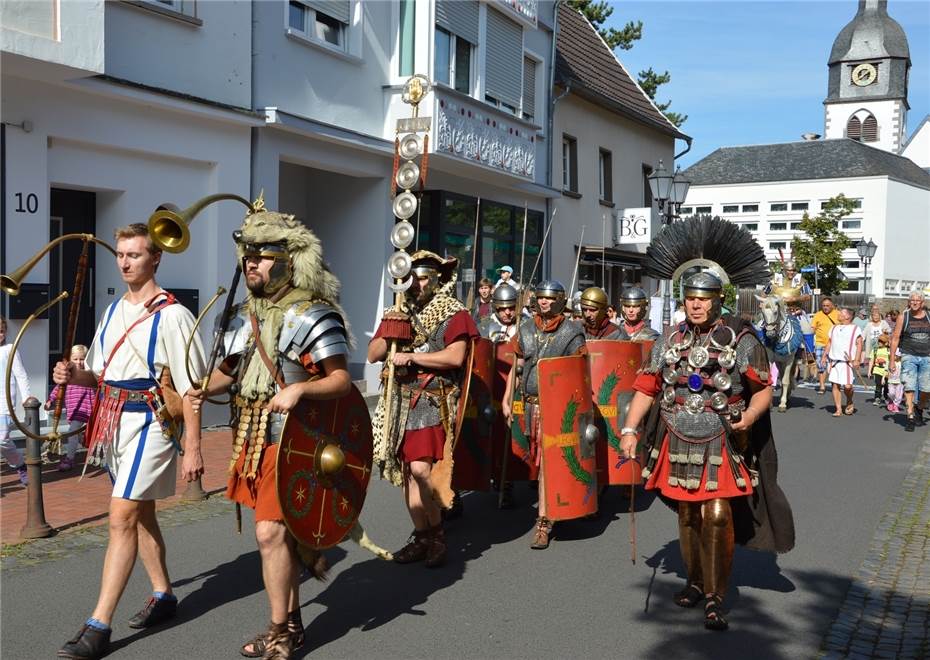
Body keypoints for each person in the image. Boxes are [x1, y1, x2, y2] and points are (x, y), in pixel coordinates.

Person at [189, 203, 352, 658]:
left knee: (270, 535)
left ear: (285, 260)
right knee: (278, 536)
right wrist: (202, 387)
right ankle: (292, 624)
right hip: (254, 435)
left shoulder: (312, 314)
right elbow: (233, 370)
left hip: (296, 440)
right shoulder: (247, 315)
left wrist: (301, 393)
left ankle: (280, 630)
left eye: (260, 256)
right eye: (247, 256)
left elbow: (340, 381)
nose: (251, 264)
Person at [620, 216, 794, 632]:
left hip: (721, 437)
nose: (696, 304)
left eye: (704, 298)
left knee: (716, 513)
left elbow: (763, 389)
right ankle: (696, 583)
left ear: (718, 299)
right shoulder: (670, 339)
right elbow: (646, 386)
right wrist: (629, 430)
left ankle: (716, 596)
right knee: (686, 514)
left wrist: (747, 418)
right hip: (677, 433)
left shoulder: (742, 338)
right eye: (690, 298)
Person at [55, 224, 205, 660]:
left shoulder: (173, 315)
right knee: (141, 516)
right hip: (112, 423)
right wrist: (71, 375)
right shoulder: (113, 310)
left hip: (152, 424)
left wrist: (193, 447)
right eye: (120, 254)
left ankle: (98, 626)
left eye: (134, 255)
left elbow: (192, 388)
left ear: (155, 259)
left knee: (121, 515)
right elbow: (97, 374)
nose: (124, 262)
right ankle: (163, 595)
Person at [369, 251, 479, 568]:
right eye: (412, 277)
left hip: (433, 400)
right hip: (399, 402)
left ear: (437, 279)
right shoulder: (398, 311)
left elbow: (455, 357)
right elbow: (374, 353)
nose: (416, 283)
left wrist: (413, 358)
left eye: (423, 276)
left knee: (421, 471)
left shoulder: (453, 312)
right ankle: (422, 536)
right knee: (407, 475)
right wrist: (391, 329)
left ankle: (438, 535)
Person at [501, 280, 586, 549]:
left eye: (549, 298)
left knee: (549, 463)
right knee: (538, 462)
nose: (544, 302)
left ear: (560, 300)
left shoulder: (572, 333)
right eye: (540, 297)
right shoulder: (525, 329)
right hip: (529, 405)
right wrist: (507, 398)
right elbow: (516, 367)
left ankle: (544, 521)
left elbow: (579, 376)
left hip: (557, 407)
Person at [0, 315, 38, 485]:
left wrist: (26, 396)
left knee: (2, 440)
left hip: (4, 404)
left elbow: (20, 375)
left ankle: (20, 464)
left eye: (1, 331)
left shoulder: (10, 349)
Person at [45, 344, 95, 471]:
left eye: (82, 359)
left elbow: (97, 388)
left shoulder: (88, 375)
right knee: (77, 434)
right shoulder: (68, 376)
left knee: (72, 433)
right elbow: (58, 388)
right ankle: (86, 448)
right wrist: (51, 400)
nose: (79, 362)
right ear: (71, 360)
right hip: (73, 411)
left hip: (87, 410)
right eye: (76, 359)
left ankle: (70, 458)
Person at [889, 291, 929, 432]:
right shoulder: (903, 317)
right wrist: (892, 360)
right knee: (909, 386)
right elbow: (895, 338)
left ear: (922, 303)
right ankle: (910, 416)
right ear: (909, 302)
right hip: (908, 355)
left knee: (926, 389)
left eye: (918, 300)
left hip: (927, 357)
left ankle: (919, 408)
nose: (915, 302)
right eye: (912, 300)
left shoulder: (928, 317)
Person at [821, 307, 864, 417]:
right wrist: (824, 356)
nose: (838, 314)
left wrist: (857, 359)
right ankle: (838, 409)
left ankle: (849, 400)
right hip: (834, 360)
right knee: (835, 385)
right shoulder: (834, 328)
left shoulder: (855, 329)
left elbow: (859, 344)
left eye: (841, 312)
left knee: (848, 387)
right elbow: (830, 342)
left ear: (847, 316)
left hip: (847, 362)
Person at [810, 297, 839, 394]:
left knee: (833, 366)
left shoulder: (838, 314)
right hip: (820, 343)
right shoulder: (818, 315)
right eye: (823, 306)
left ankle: (835, 384)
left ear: (832, 306)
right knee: (820, 365)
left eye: (827, 306)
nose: (825, 307)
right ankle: (822, 386)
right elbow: (813, 328)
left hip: (834, 344)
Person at [863, 307, 891, 373]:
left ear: (879, 317)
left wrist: (885, 330)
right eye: (874, 316)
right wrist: (861, 340)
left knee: (880, 356)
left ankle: (880, 369)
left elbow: (889, 330)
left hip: (881, 342)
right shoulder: (869, 324)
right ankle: (872, 369)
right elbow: (864, 333)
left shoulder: (883, 323)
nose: (875, 318)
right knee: (872, 356)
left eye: (877, 316)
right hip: (871, 342)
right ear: (872, 317)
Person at [869, 333, 891, 406]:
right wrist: (869, 371)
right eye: (879, 341)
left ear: (886, 343)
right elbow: (871, 360)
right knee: (878, 385)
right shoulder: (875, 350)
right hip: (877, 369)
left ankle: (886, 397)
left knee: (886, 385)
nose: (879, 343)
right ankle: (877, 398)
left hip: (886, 371)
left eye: (881, 341)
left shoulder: (888, 350)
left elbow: (891, 360)